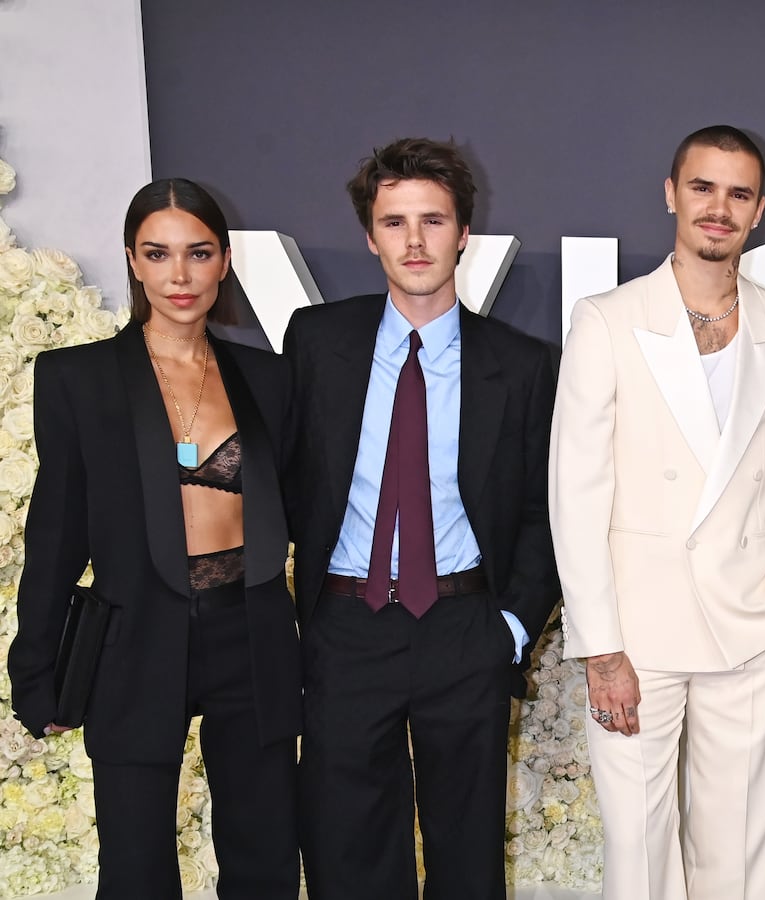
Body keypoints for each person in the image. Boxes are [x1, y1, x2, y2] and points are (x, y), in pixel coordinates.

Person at [283, 138, 560, 900]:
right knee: (345, 850)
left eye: (433, 220)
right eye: (394, 222)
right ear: (371, 236)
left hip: (463, 626)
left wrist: (510, 626)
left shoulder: (523, 363)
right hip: (346, 627)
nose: (414, 241)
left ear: (464, 233)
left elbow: (546, 508)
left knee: (467, 855)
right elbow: (286, 476)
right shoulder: (317, 341)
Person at [7, 179, 300, 898]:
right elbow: (57, 531)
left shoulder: (268, 379)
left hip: (250, 629)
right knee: (135, 868)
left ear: (224, 261)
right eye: (158, 254)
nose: (179, 275)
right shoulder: (79, 378)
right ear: (134, 263)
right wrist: (34, 667)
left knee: (264, 855)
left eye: (198, 253)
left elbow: (308, 515)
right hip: (135, 633)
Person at [550, 124, 765, 900]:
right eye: (703, 188)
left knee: (737, 849)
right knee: (640, 853)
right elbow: (577, 490)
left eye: (737, 194)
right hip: (637, 636)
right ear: (672, 194)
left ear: (759, 210)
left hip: (749, 623)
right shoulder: (607, 319)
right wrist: (601, 647)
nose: (718, 208)